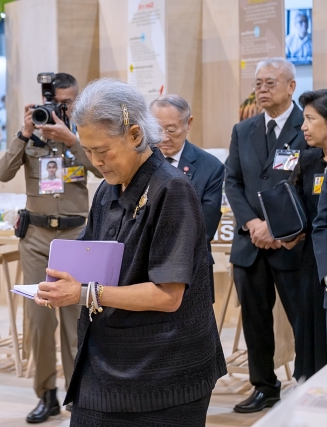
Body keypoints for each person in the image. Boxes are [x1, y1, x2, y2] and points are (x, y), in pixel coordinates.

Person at [35, 78, 227, 426]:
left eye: (103, 151)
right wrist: (60, 279)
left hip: (165, 370)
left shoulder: (173, 190)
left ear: (136, 135)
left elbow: (168, 295)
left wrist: (82, 293)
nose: (96, 162)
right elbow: (90, 255)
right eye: (87, 151)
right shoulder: (108, 190)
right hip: (107, 357)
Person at [0, 72, 101, 423]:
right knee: (39, 323)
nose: (60, 108)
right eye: (54, 102)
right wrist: (25, 133)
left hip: (76, 238)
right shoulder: (31, 136)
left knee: (75, 322)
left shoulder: (85, 135)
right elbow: (2, 172)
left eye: (67, 103)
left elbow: (101, 169)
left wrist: (72, 138)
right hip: (36, 239)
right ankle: (46, 394)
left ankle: (77, 396)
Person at [224, 57, 308, 412]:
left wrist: (278, 228)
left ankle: (309, 381)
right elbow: (233, 181)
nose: (261, 89)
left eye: (270, 82)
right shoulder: (243, 130)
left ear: (291, 86)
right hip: (250, 244)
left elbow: (306, 186)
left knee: (303, 318)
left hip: (291, 243)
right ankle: (264, 386)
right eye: (258, 83)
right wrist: (252, 223)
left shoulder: (309, 127)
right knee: (256, 321)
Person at [150, 94, 225, 301]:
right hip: (145, 269)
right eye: (157, 129)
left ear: (188, 124)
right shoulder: (140, 162)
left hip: (192, 265)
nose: (164, 137)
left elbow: (206, 225)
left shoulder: (210, 167)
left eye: (171, 129)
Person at [287, 89, 327, 380]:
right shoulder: (308, 160)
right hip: (312, 262)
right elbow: (294, 203)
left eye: (311, 119)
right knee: (310, 331)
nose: (304, 127)